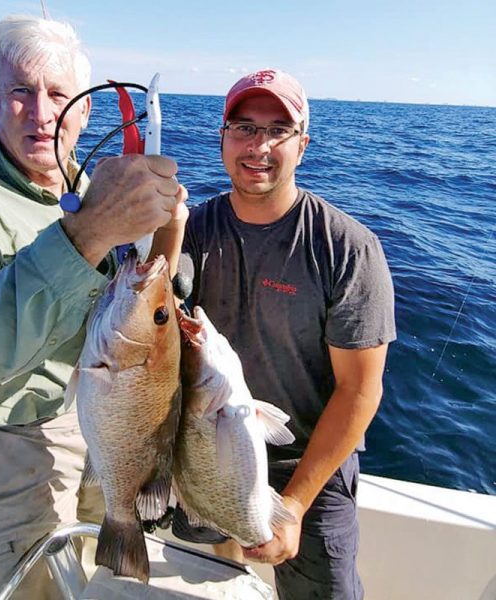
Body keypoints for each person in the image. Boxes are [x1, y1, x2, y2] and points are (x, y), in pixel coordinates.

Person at [0, 15, 185, 600]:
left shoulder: (98, 185)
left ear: (85, 109)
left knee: (109, 584)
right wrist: (85, 236)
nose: (42, 111)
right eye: (20, 92)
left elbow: (146, 310)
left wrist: (169, 236)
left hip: (107, 424)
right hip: (10, 447)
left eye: (58, 93)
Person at [175, 69, 397, 599]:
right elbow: (142, 319)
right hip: (207, 448)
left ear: (304, 143)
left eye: (278, 130)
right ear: (222, 137)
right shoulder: (191, 230)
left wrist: (293, 506)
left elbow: (360, 391)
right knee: (212, 582)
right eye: (244, 128)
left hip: (309, 464)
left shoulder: (347, 247)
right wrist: (154, 219)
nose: (260, 146)